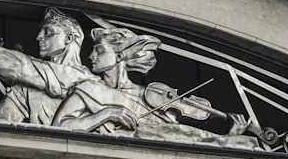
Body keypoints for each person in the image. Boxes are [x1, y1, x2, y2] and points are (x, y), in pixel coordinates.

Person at [52, 27, 259, 149]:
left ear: (120, 55)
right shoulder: (88, 89)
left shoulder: (153, 95)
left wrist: (228, 139)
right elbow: (60, 128)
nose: (91, 56)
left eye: (99, 50)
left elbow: (185, 138)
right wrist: (107, 114)